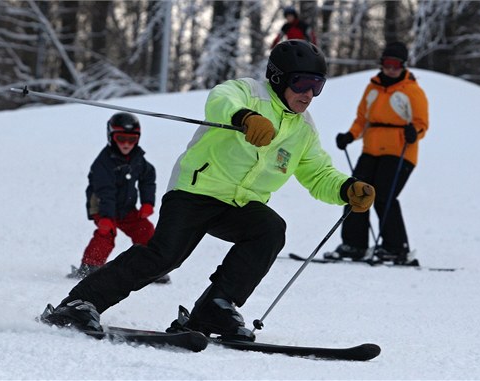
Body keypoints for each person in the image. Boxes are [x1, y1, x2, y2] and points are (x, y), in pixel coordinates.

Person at [40, 40, 375, 340]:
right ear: (279, 78)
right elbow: (220, 99)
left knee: (270, 229)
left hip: (240, 203)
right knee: (165, 256)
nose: (308, 94)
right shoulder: (248, 93)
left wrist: (346, 188)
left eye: (318, 86)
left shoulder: (303, 129)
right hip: (195, 191)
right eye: (302, 83)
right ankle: (80, 303)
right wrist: (243, 118)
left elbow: (317, 172)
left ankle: (215, 307)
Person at [326, 41, 429, 265]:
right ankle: (355, 245)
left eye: (395, 64)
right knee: (357, 192)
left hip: (400, 151)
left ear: (403, 65)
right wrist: (350, 136)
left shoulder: (412, 91)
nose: (391, 69)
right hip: (371, 149)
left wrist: (415, 132)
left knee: (384, 196)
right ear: (381, 64)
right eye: (387, 64)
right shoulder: (372, 88)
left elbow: (422, 122)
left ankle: (395, 248)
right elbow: (363, 120)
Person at [67, 112, 170, 284]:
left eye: (132, 139)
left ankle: (152, 266)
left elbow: (148, 177)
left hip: (126, 207)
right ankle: (89, 266)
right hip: (102, 206)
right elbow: (104, 192)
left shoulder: (137, 159)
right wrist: (106, 217)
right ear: (111, 136)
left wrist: (147, 202)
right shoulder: (103, 163)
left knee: (144, 229)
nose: (126, 144)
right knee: (106, 233)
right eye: (121, 138)